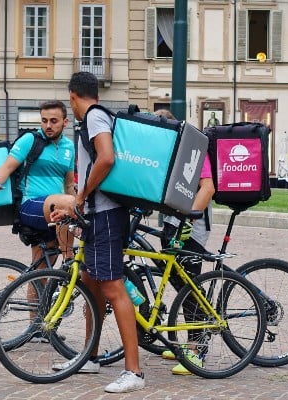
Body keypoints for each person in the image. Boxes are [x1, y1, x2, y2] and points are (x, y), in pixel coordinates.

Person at [51, 71, 145, 393]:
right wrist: (77, 206)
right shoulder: (94, 116)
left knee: (113, 289)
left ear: (73, 97)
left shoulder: (93, 117)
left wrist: (82, 195)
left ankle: (134, 371)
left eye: (70, 101)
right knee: (91, 286)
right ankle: (89, 358)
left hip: (106, 216)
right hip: (97, 215)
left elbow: (106, 158)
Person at [156, 109, 216, 375]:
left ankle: (198, 350)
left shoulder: (192, 147)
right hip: (173, 223)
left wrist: (188, 222)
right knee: (179, 281)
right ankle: (189, 340)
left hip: (192, 227)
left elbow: (208, 187)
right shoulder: (168, 150)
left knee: (191, 285)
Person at [0, 100, 76, 262]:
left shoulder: (69, 147)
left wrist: (79, 204)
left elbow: (69, 184)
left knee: (40, 277)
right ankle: (69, 261)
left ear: (65, 122)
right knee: (67, 203)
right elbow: (7, 167)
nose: (48, 125)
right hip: (30, 205)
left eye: (54, 121)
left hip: (55, 213)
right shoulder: (30, 139)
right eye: (44, 121)